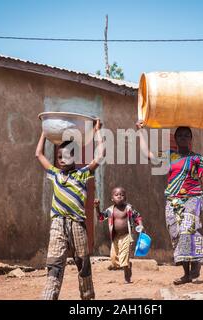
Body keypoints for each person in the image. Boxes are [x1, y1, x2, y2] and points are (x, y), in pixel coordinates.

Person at [136, 120, 203, 285]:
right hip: (173, 200)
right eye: (180, 135)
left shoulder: (197, 158)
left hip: (192, 198)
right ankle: (186, 274)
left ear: (191, 139)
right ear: (175, 138)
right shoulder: (168, 156)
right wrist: (140, 132)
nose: (183, 137)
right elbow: (148, 155)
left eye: (186, 135)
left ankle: (195, 263)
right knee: (177, 234)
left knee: (188, 230)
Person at [35, 119, 103, 300]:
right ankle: (49, 296)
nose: (63, 159)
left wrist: (97, 132)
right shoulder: (55, 174)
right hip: (58, 224)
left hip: (78, 225)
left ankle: (87, 298)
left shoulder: (82, 174)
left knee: (83, 264)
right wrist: (45, 131)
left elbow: (100, 156)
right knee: (54, 263)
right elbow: (38, 154)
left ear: (75, 157)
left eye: (67, 155)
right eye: (59, 157)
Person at [94, 187, 144, 284]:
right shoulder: (110, 210)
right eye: (116, 195)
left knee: (124, 257)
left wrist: (141, 225)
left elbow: (137, 216)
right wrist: (97, 207)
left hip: (126, 236)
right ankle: (127, 265)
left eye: (122, 195)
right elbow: (100, 217)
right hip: (115, 237)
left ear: (125, 198)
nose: (119, 196)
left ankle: (127, 277)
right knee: (113, 258)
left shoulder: (128, 208)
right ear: (112, 198)